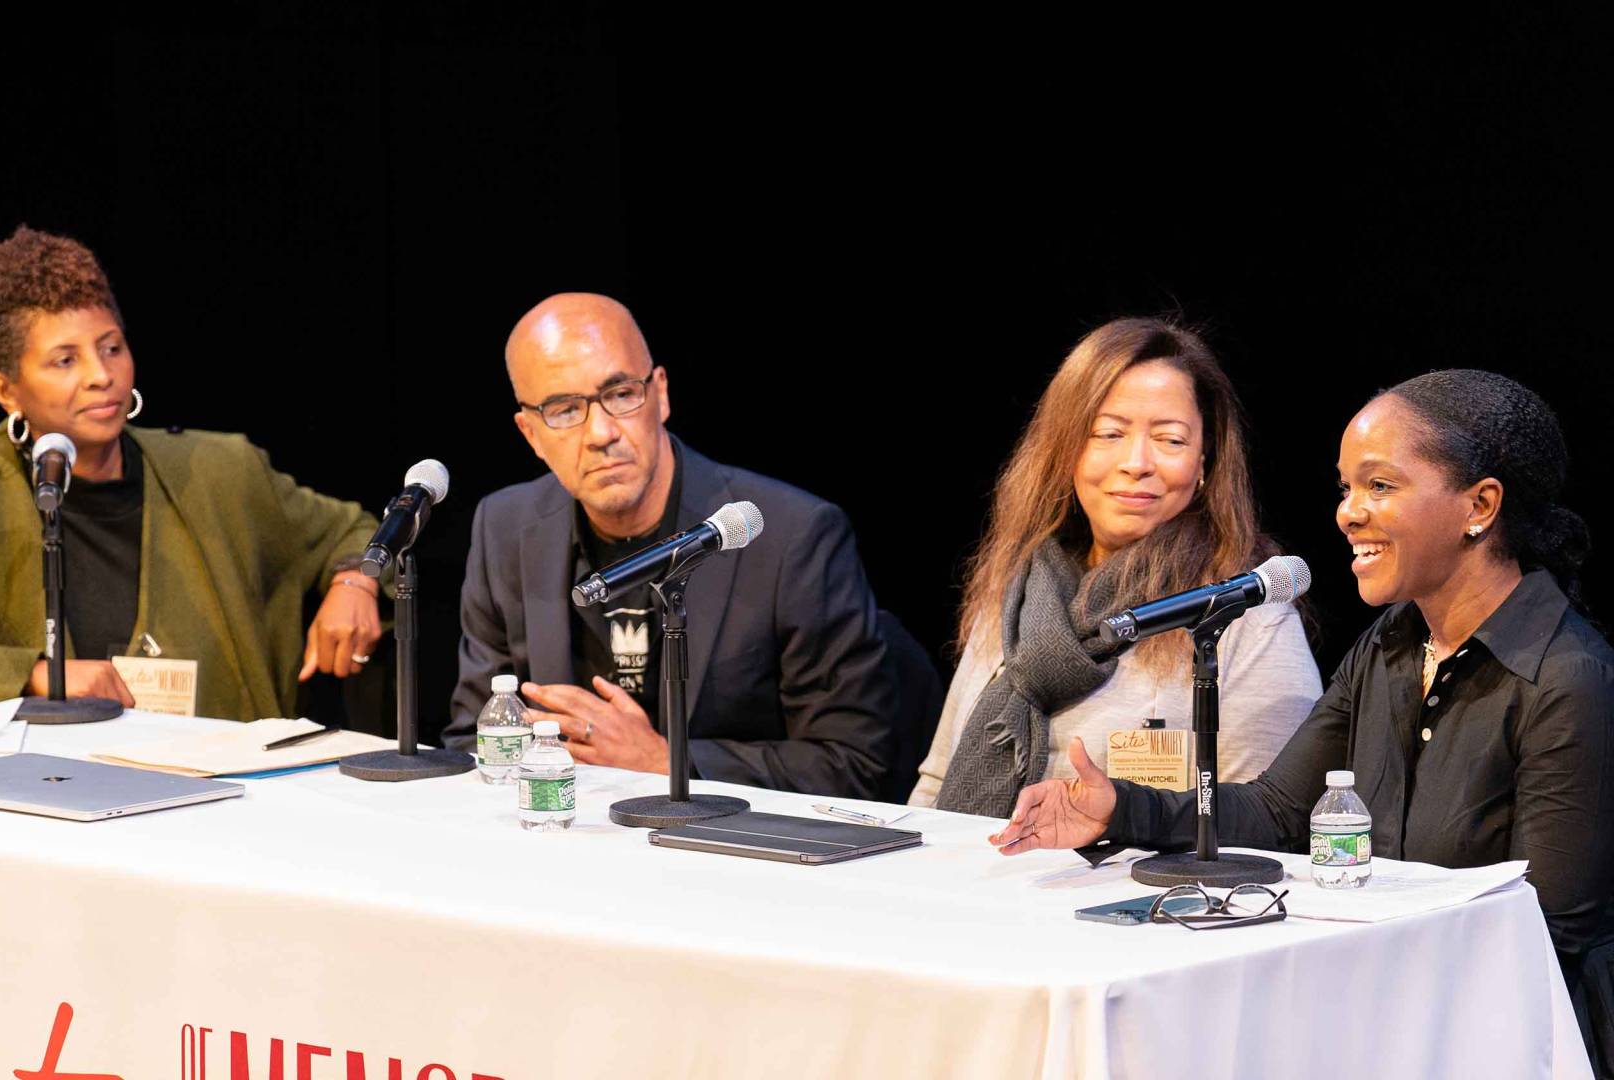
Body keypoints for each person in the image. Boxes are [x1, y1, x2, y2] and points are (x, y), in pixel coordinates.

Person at [990, 369, 1613, 1058]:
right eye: (1345, 488)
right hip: (1385, 1010)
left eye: (1379, 485)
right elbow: (1280, 813)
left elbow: (1546, 933)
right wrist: (1120, 810)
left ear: (1481, 505)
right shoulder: (1390, 643)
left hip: (1501, 1037)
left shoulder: (1568, 679)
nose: (1348, 512)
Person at [0, 225, 383, 721]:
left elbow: (357, 533)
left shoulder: (220, 470)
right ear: (6, 389)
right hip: (23, 809)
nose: (101, 375)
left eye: (112, 347)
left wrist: (354, 585)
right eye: (65, 360)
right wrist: (34, 675)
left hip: (221, 802)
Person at [443, 292, 896, 799]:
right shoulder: (503, 527)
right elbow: (474, 738)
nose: (600, 433)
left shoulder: (792, 536)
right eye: (565, 409)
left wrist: (663, 762)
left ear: (660, 394)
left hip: (728, 848)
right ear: (530, 433)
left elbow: (853, 761)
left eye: (619, 394)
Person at [914, 318, 1320, 815]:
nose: (1136, 461)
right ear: (1066, 450)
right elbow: (936, 784)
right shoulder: (1015, 593)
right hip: (976, 878)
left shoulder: (1244, 614)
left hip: (1145, 892)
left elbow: (1269, 819)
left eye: (1170, 440)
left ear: (1203, 463)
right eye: (1108, 433)